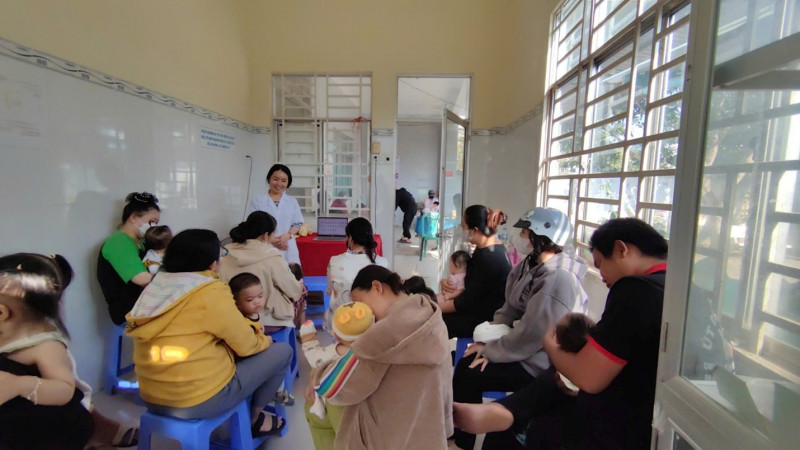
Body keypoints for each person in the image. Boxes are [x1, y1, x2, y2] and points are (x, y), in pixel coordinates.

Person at [453, 218, 668, 449]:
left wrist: (545, 343)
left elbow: (585, 374)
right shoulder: (671, 287)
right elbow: (511, 310)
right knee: (551, 380)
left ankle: (504, 413)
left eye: (600, 264)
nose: (601, 274)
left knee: (534, 400)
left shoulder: (634, 290)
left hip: (620, 412)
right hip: (617, 390)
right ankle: (505, 411)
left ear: (621, 249)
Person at [125, 229, 293, 437]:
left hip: (150, 397)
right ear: (213, 264)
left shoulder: (155, 286)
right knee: (282, 351)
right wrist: (265, 340)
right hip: (198, 400)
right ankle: (254, 419)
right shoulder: (209, 291)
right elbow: (247, 346)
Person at [451, 207, 589, 449]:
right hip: (520, 345)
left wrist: (492, 351)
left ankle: (462, 441)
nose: (520, 237)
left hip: (539, 361)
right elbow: (509, 308)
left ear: (540, 237)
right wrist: (487, 340)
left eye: (525, 232)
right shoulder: (531, 264)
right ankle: (462, 434)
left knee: (467, 371)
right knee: (465, 359)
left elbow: (533, 335)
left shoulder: (557, 278)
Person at [311, 265, 453, 450]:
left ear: (377, 287)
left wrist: (317, 374)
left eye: (360, 302)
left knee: (315, 411)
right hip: (429, 434)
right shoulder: (430, 313)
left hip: (388, 438)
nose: (364, 312)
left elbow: (330, 388)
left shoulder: (383, 334)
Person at [0, 253, 94, 449]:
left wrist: (19, 385)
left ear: (2, 312)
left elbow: (65, 389)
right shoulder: (6, 331)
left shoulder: (45, 346)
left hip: (39, 429)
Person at [218, 211, 304, 331]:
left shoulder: (224, 253)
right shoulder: (271, 256)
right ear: (265, 235)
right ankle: (302, 330)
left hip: (231, 319)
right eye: (273, 235)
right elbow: (293, 290)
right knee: (302, 290)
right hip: (267, 321)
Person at [439, 205, 512, 338]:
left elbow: (467, 301)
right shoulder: (485, 247)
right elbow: (469, 279)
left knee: (432, 320)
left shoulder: (490, 258)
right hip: (474, 307)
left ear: (474, 230)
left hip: (485, 320)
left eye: (463, 226)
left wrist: (434, 308)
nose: (461, 230)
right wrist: (446, 282)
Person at [302, 302, 375, 421]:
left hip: (336, 402)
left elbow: (313, 357)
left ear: (335, 335)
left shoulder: (332, 353)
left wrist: (308, 336)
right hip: (363, 401)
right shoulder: (374, 350)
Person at [97, 191, 160, 325]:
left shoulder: (141, 242)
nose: (154, 227)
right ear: (134, 218)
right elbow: (142, 279)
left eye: (156, 223)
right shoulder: (118, 243)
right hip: (130, 314)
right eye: (151, 222)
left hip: (143, 309)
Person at [325, 217, 388, 332]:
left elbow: (329, 290)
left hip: (340, 323)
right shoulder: (382, 263)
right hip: (370, 325)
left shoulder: (334, 261)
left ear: (350, 238)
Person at [245, 164, 304, 265]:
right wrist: (271, 240)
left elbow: (298, 223)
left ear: (288, 183)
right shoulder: (258, 200)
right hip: (265, 245)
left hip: (287, 245)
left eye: (284, 181)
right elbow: (253, 224)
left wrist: (288, 236)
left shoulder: (292, 201)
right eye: (275, 179)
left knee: (291, 273)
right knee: (268, 272)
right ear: (269, 179)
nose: (279, 184)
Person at [289, 263, 308, 329]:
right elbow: (302, 307)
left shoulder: (287, 289)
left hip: (288, 317)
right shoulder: (304, 287)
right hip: (296, 314)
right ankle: (302, 329)